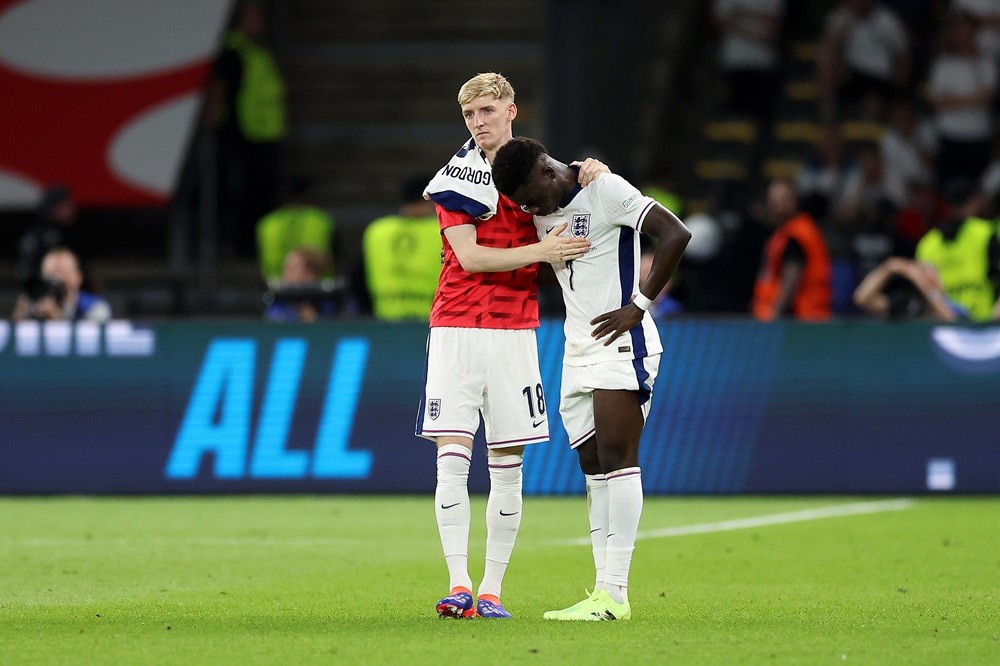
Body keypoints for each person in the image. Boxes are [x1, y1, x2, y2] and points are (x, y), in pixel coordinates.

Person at [416, 72, 602, 621]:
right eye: (471, 115)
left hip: (514, 330)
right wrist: (544, 251)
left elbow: (583, 188)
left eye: (488, 111)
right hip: (455, 326)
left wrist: (596, 170)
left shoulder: (533, 172)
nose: (479, 123)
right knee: (451, 457)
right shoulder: (456, 178)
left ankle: (493, 590)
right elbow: (470, 259)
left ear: (511, 110)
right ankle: (458, 583)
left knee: (507, 462)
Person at [491, 137, 690, 622]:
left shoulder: (605, 189)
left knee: (620, 457)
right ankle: (601, 591)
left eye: (530, 199)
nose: (529, 209)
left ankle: (615, 594)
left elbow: (676, 234)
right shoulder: (547, 202)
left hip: (621, 342)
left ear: (544, 171)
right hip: (576, 349)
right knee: (593, 462)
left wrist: (638, 307)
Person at [205, 0, 287, 258]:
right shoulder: (234, 51)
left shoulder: (258, 51)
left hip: (265, 136)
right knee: (245, 198)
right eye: (257, 18)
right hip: (242, 137)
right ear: (242, 21)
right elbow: (219, 90)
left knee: (262, 195)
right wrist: (212, 123)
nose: (263, 24)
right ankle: (243, 248)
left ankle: (257, 247)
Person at [926, 9, 998, 189]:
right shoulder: (943, 64)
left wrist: (954, 100)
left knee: (976, 189)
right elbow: (938, 102)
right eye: (957, 29)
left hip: (978, 135)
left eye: (967, 29)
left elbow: (986, 99)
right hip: (949, 134)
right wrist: (972, 99)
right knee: (946, 188)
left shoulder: (987, 64)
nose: (962, 34)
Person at [915, 179, 1000, 322]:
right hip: (983, 324)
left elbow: (925, 294)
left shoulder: (926, 244)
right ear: (974, 201)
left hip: (950, 327)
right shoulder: (984, 232)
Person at [360, 175, 441, 321]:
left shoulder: (377, 230)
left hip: (383, 322)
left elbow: (358, 278)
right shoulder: (445, 231)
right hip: (434, 322)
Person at [752, 180, 833, 321]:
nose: (777, 205)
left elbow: (792, 276)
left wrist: (775, 314)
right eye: (773, 200)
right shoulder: (782, 233)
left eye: (782, 199)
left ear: (794, 200)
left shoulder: (796, 235)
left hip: (801, 320)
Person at [817, 0, 910, 120]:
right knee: (825, 55)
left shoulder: (887, 20)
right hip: (851, 74)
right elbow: (829, 44)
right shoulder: (842, 16)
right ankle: (827, 109)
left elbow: (904, 53)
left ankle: (868, 127)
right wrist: (847, 24)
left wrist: (900, 89)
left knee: (872, 105)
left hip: (879, 77)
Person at [256, 177, 335, 289]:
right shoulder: (322, 220)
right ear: (309, 194)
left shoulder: (268, 223)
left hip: (277, 288)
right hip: (318, 289)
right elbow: (332, 258)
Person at [12, 247, 111, 322]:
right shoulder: (32, 303)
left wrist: (57, 319)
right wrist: (22, 315)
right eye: (51, 274)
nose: (57, 280)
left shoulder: (95, 307)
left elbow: (90, 344)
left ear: (78, 278)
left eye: (64, 273)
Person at [853, 256, 968, 320]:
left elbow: (952, 323)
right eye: (922, 273)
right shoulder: (910, 305)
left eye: (928, 275)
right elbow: (862, 299)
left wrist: (925, 286)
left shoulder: (954, 307)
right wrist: (887, 268)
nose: (921, 278)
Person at [16, 185, 80, 293]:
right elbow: (26, 272)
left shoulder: (68, 232)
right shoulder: (39, 236)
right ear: (54, 208)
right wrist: (40, 295)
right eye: (66, 205)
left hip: (68, 295)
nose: (71, 208)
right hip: (42, 294)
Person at [262, 246, 337, 323]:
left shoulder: (327, 303)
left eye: (292, 268)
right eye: (285, 267)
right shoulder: (276, 301)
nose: (286, 273)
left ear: (310, 274)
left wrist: (312, 318)